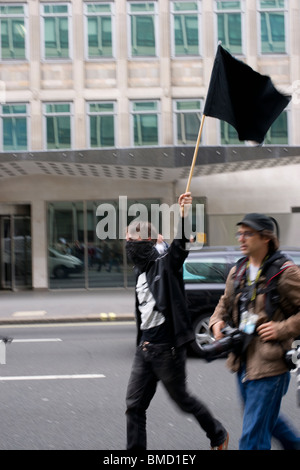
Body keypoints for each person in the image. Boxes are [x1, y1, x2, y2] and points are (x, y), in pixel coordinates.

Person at [125, 192, 228, 451]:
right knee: (134, 406)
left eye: (131, 241)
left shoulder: (165, 264)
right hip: (145, 348)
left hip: (167, 349)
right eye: (125, 241)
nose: (127, 246)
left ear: (145, 241)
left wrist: (183, 214)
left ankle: (217, 434)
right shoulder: (140, 270)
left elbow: (180, 247)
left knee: (182, 400)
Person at [209, 213, 300, 450]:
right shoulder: (238, 270)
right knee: (267, 421)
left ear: (266, 238)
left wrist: (282, 328)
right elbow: (224, 303)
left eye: (248, 233)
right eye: (239, 233)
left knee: (252, 436)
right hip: (243, 361)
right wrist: (216, 321)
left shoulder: (285, 272)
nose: (241, 238)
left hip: (271, 364)